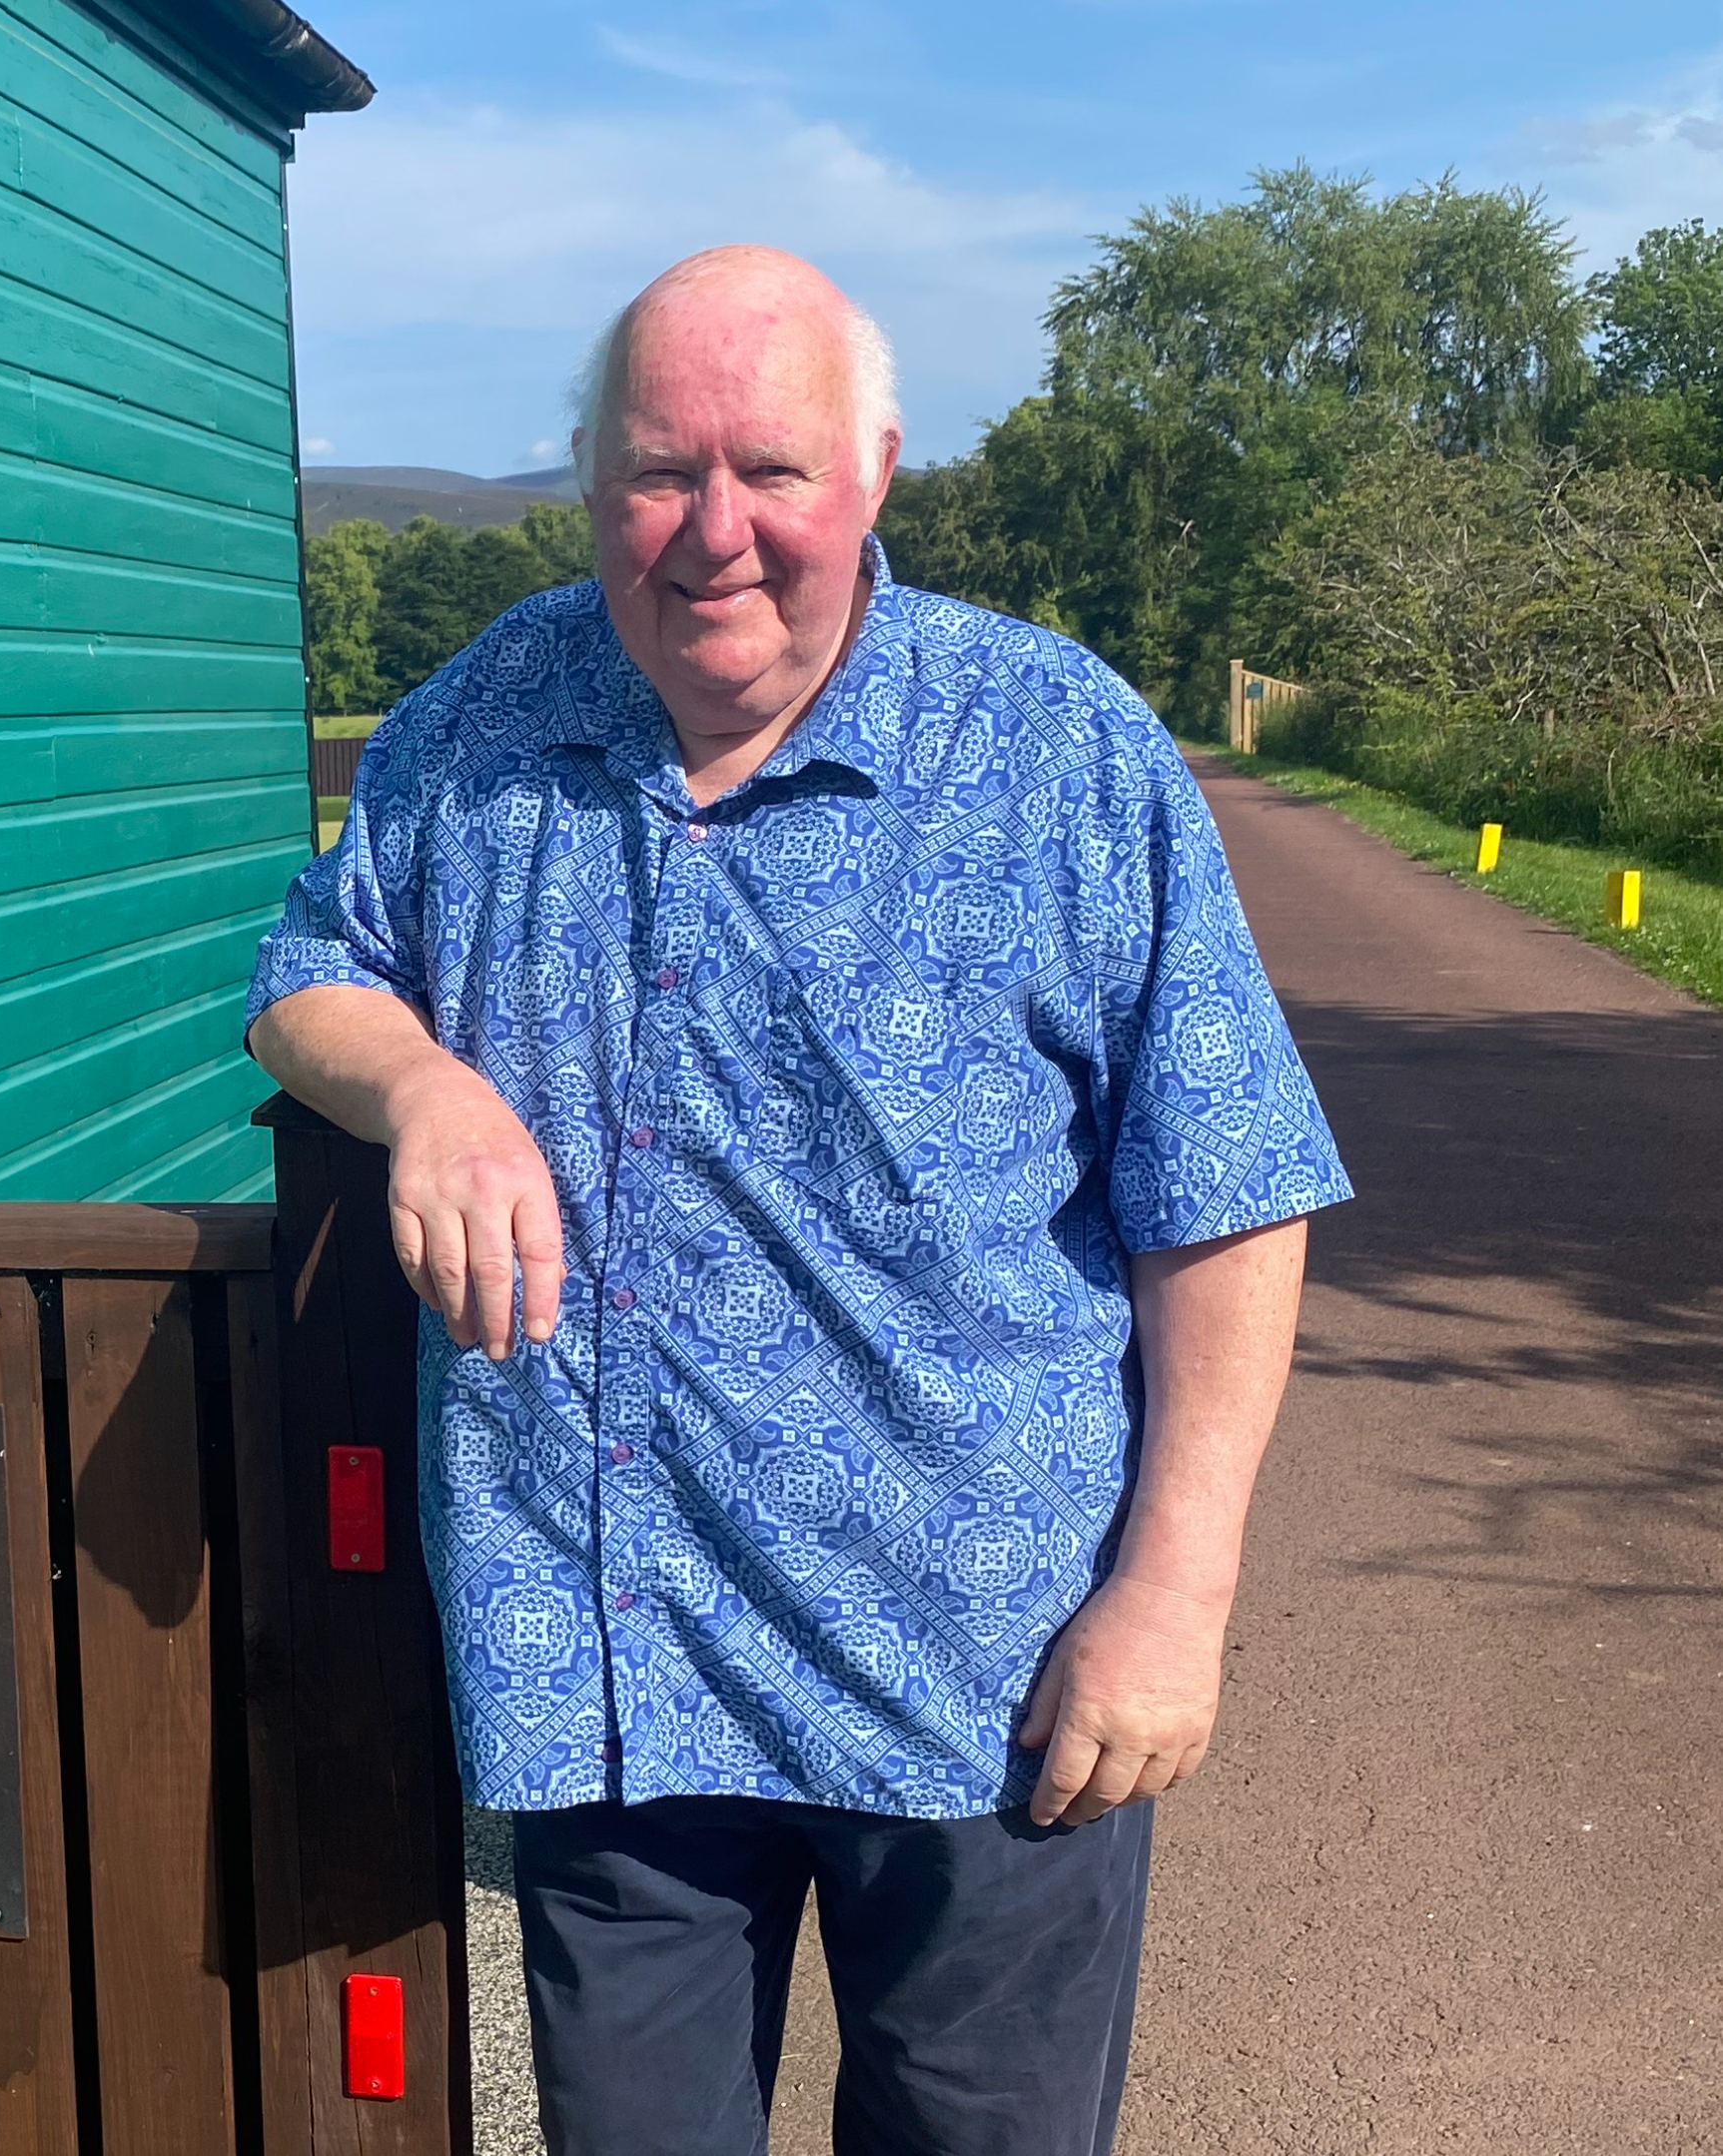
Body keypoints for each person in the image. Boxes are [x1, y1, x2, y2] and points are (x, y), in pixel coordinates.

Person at [245, 247, 1349, 2156]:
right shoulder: (469, 724)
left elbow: (1228, 1190)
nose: (710, 532)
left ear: (877, 470)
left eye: (770, 468)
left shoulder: (1058, 750)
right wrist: (417, 1084)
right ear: (590, 478)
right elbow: (306, 978)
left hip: (985, 1684)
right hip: (612, 1675)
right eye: (658, 471)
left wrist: (1175, 1595)